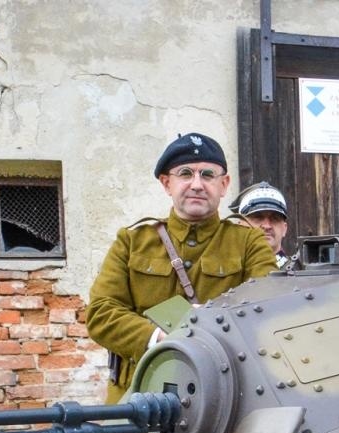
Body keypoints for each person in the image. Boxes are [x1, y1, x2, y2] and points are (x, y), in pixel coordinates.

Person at [87, 133, 277, 401]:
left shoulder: (248, 242)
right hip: (139, 392)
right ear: (167, 183)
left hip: (224, 397)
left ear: (224, 185)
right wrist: (160, 336)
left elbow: (268, 309)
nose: (197, 184)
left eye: (208, 175)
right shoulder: (132, 241)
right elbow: (101, 313)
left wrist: (212, 319)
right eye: (185, 173)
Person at [235, 182, 293, 269]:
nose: (267, 226)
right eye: (258, 217)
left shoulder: (301, 274)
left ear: (284, 229)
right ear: (240, 226)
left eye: (275, 218)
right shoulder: (225, 274)